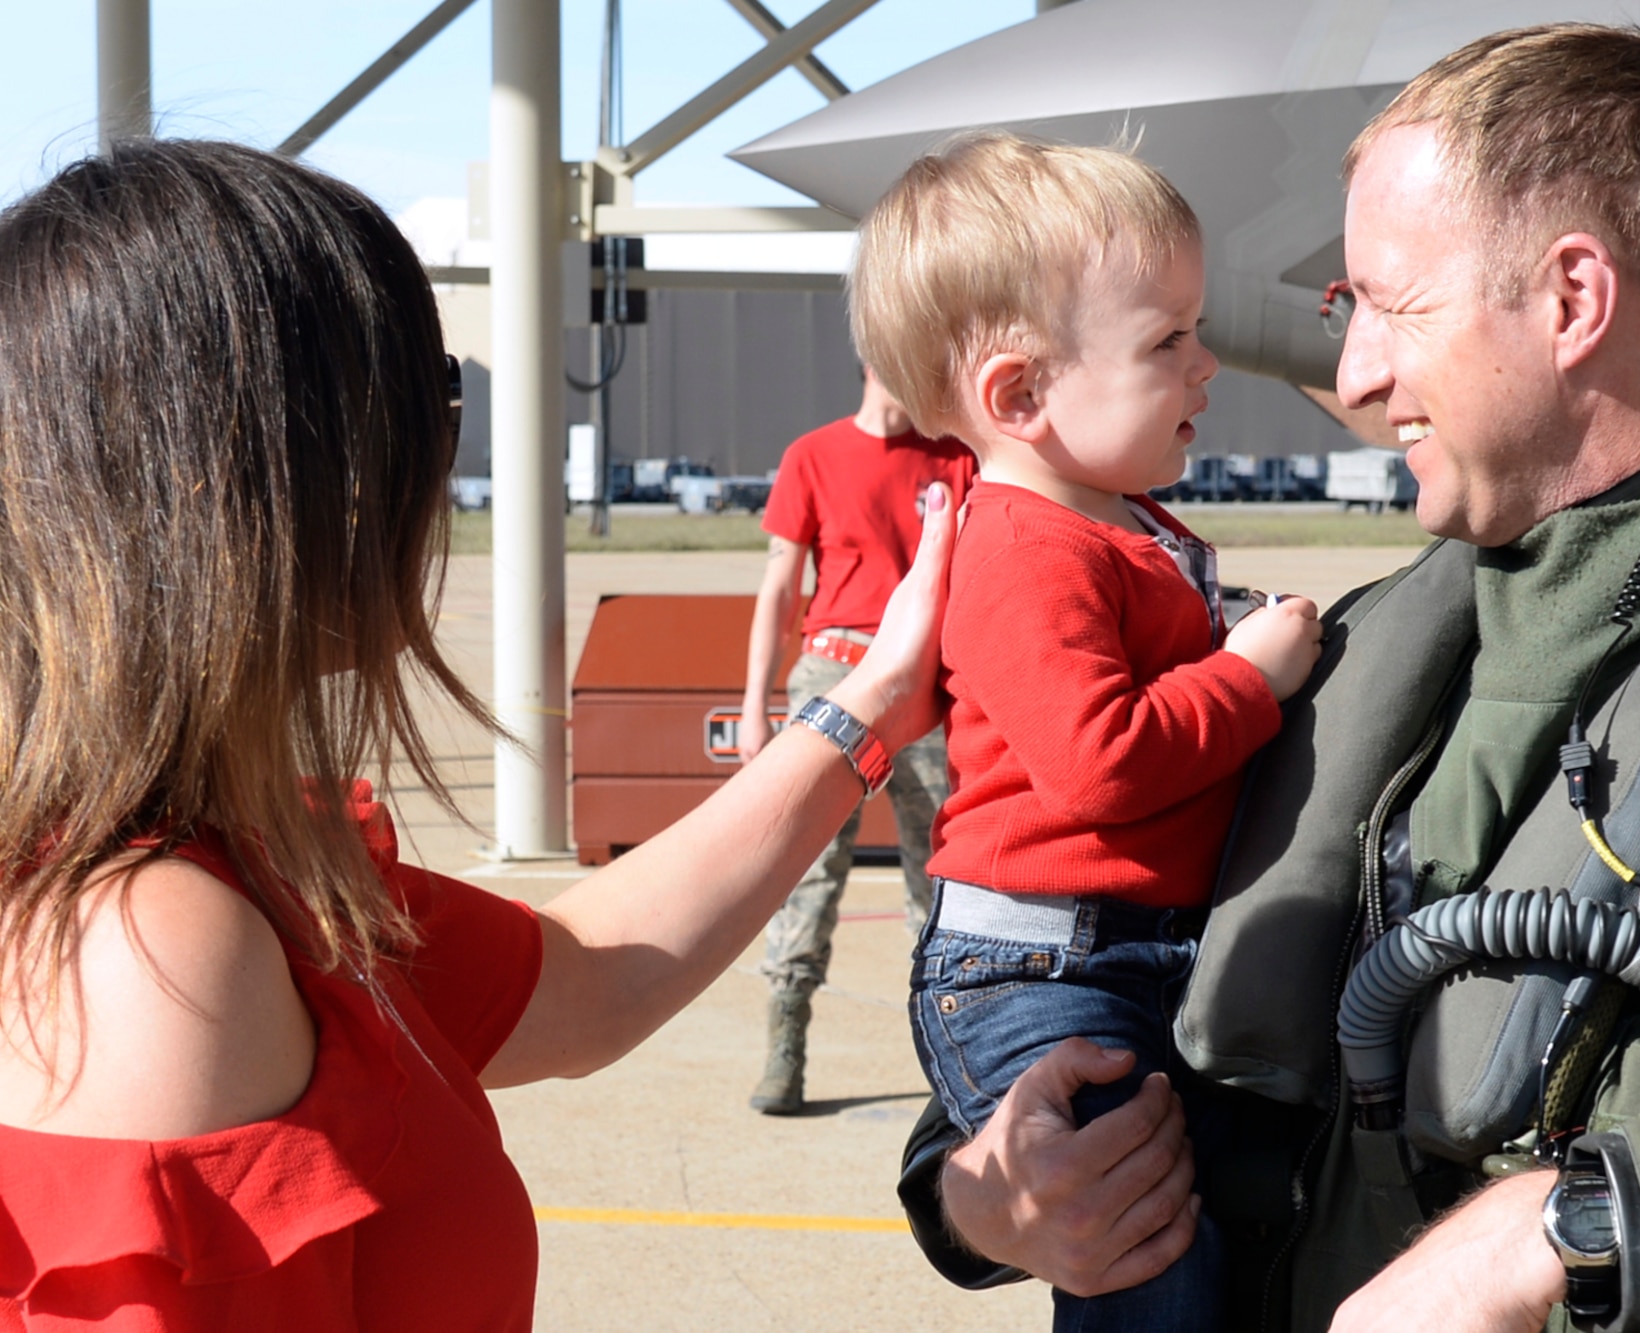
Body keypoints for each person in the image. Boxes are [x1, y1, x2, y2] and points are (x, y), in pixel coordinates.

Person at [895, 24, 1640, 1333]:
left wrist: (1563, 1228)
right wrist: (977, 1198)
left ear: (1573, 302)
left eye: (1392, 306)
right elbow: (1066, 1018)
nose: (1355, 376)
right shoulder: (1357, 668)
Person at [0, 139, 956, 1329]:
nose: (445, 460)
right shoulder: (157, 952)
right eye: (431, 399)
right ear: (273, 472)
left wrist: (869, 704)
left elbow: (590, 979)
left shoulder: (244, 862)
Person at [850, 132, 1323, 1329]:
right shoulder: (1021, 546)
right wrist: (1248, 680)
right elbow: (1100, 759)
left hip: (1126, 956)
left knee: (1198, 1226)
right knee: (1140, 1243)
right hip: (1041, 973)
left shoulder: (1110, 524)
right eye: (1167, 340)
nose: (1207, 364)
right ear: (1019, 394)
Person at [737, 367, 976, 1115]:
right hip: (831, 677)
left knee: (941, 876)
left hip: (924, 684)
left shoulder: (956, 456)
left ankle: (954, 1057)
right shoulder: (813, 454)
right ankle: (786, 1043)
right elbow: (780, 586)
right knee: (809, 869)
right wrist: (755, 703)